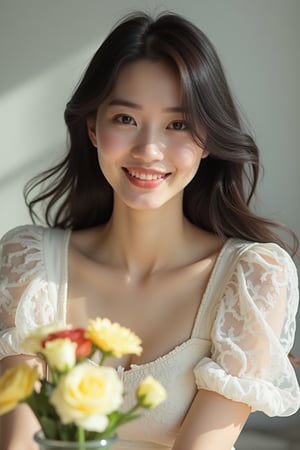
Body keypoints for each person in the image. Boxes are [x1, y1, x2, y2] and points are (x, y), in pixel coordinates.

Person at [0, 10, 299, 450]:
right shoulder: (28, 265)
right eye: (125, 119)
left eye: (177, 124)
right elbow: (18, 443)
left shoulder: (254, 279)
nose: (148, 150)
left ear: (208, 140)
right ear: (92, 128)